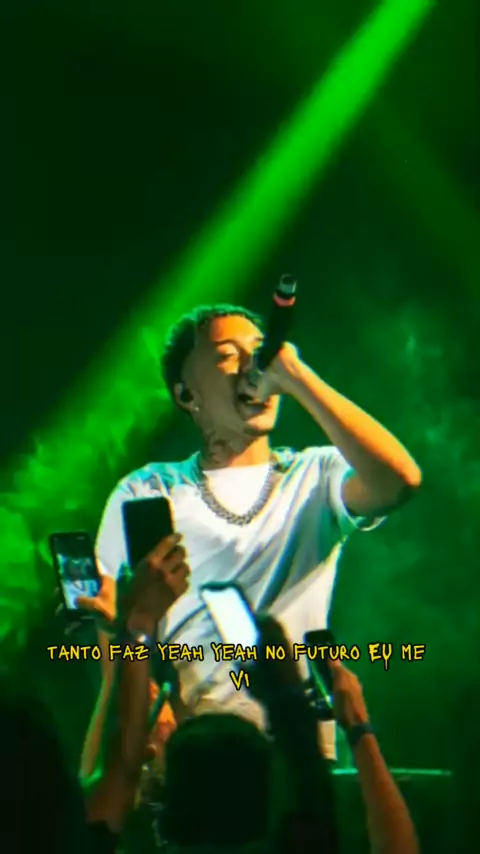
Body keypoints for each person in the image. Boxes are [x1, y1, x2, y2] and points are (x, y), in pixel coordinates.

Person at [92, 304, 422, 756]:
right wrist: (151, 712)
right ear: (187, 395)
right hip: (190, 753)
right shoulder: (147, 490)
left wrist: (297, 375)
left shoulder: (315, 475)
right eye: (229, 356)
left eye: (261, 352)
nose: (254, 368)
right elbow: (115, 632)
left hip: (299, 754)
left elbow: (399, 481)